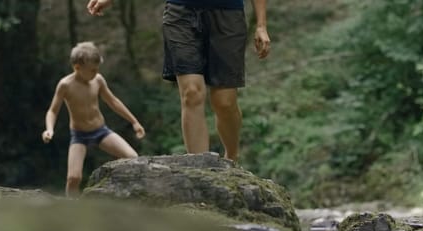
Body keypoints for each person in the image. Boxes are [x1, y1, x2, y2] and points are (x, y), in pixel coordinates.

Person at [87, 0, 270, 162]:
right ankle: (200, 170)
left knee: (224, 102)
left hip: (227, 14)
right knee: (191, 93)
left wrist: (261, 24)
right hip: (180, 13)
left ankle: (231, 156)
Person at [42, 41, 146, 197]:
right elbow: (52, 111)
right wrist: (49, 129)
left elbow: (113, 101)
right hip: (79, 136)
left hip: (101, 131)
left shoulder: (97, 80)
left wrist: (134, 121)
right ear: (77, 67)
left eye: (98, 69)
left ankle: (128, 195)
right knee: (73, 177)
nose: (96, 72)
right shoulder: (65, 85)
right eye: (92, 70)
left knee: (132, 158)